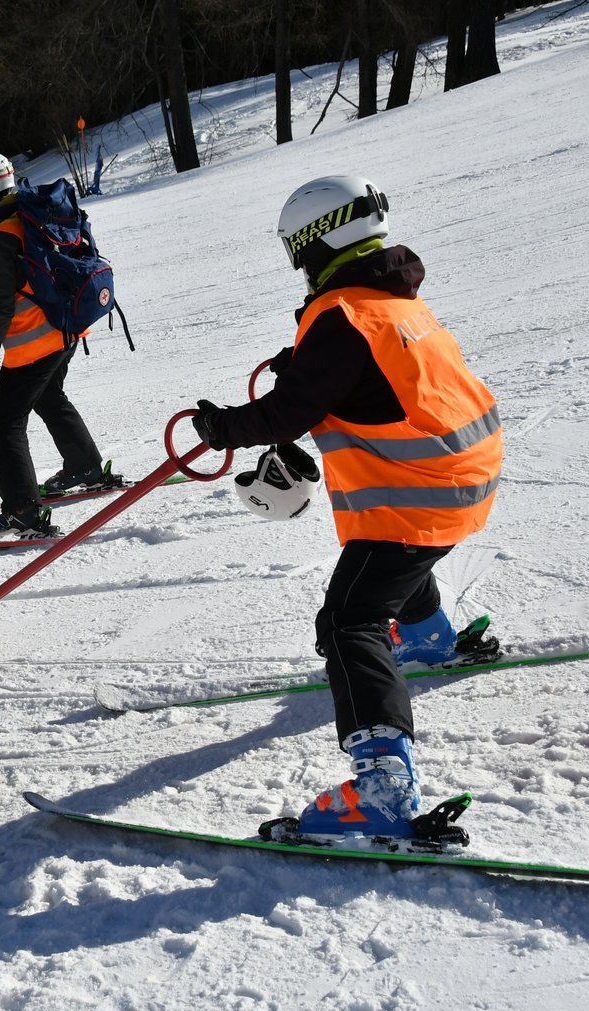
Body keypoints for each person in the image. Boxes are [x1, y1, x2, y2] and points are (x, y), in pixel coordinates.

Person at [190, 175, 502, 839]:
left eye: (295, 251)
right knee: (392, 564)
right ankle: (427, 637)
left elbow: (291, 409)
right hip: (463, 476)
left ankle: (385, 783)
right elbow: (357, 373)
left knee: (349, 617)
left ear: (314, 242)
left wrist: (225, 428)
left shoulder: (342, 319)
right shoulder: (388, 300)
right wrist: (302, 360)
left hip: (423, 490)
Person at [0, 151, 118, 542]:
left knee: (4, 426)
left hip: (35, 343)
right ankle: (85, 467)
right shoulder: (28, 214)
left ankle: (22, 512)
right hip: (66, 330)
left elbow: (0, 310)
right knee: (48, 396)